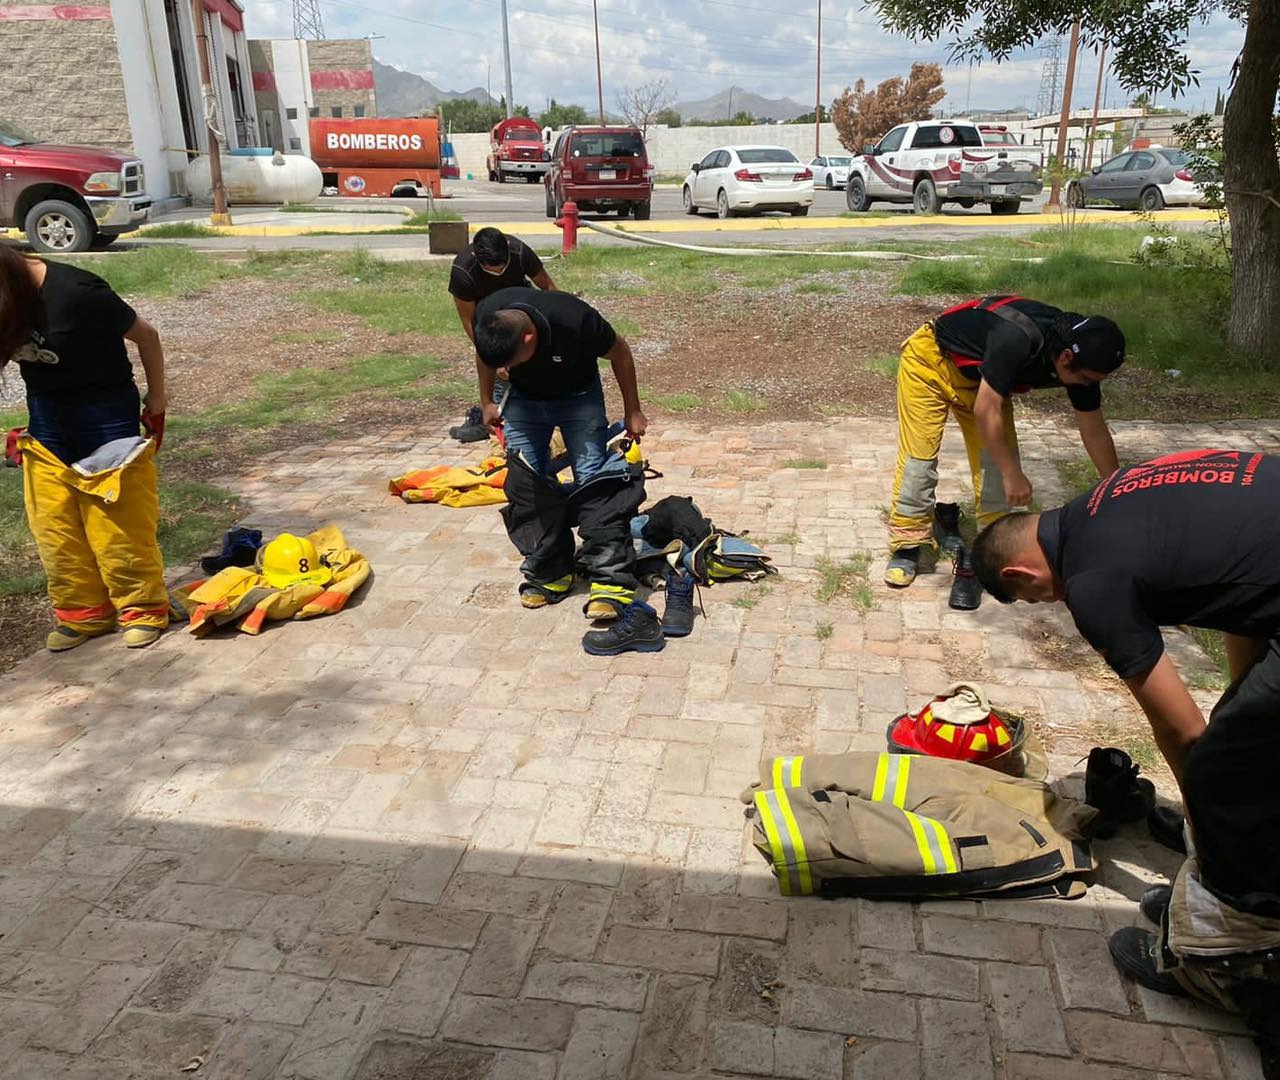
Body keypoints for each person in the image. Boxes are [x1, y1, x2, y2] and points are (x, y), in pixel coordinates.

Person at [970, 450, 1280, 1072]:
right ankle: (1228, 900)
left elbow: (1181, 731)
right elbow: (1242, 595)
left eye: (1032, 600)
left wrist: (1203, 831)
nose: (1045, 605)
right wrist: (1238, 715)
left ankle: (1231, 963)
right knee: (1243, 748)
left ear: (1019, 574)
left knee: (1221, 779)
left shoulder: (1093, 581)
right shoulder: (1111, 494)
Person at [885, 294, 1126, 589]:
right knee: (919, 461)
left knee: (994, 470)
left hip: (982, 381)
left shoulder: (1082, 362)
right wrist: (1013, 473)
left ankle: (991, 548)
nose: (1088, 385)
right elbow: (986, 411)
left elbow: (1094, 429)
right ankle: (907, 545)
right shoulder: (1017, 338)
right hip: (930, 363)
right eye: (1087, 379)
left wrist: (1118, 489)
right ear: (1065, 357)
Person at [0, 244, 168, 651]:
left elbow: (147, 335)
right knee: (54, 523)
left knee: (118, 523)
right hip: (46, 416)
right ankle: (84, 614)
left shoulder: (77, 292)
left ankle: (141, 609)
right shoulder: (10, 301)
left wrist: (158, 397)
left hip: (105, 413)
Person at [473, 286, 645, 620]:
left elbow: (621, 353)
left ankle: (610, 580)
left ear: (528, 337)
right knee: (528, 484)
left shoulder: (574, 319)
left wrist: (633, 410)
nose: (504, 368)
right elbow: (484, 357)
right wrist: (487, 401)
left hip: (579, 398)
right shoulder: (491, 313)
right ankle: (550, 571)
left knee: (595, 483)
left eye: (509, 361)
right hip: (522, 401)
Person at [449, 226, 557, 346]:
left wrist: (557, 323)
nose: (499, 272)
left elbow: (549, 287)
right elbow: (468, 319)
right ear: (475, 255)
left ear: (508, 246)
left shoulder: (520, 252)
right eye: (491, 270)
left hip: (519, 299)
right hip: (486, 309)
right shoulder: (463, 271)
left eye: (503, 267)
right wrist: (482, 350)